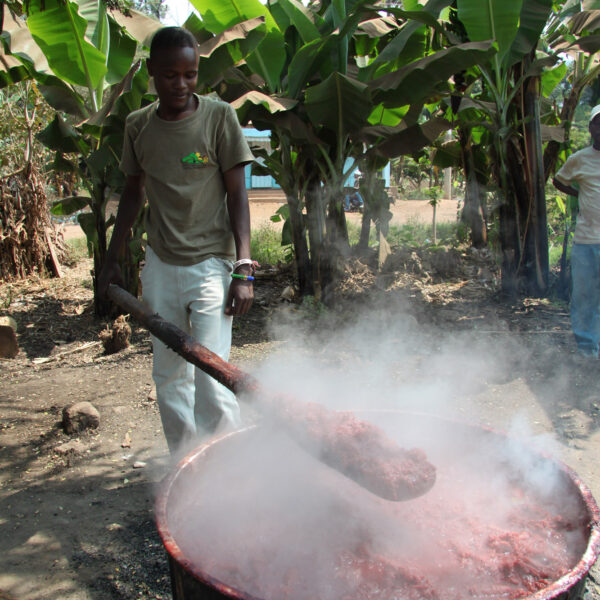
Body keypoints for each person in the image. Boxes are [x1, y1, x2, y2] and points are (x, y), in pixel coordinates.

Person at [98, 26, 255, 454]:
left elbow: (238, 195)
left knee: (212, 375)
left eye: (190, 74)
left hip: (211, 265)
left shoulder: (219, 117)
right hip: (162, 266)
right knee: (168, 376)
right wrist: (113, 258)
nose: (181, 84)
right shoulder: (138, 127)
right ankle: (187, 470)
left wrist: (244, 267)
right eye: (170, 75)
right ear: (151, 72)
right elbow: (133, 192)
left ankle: (229, 471)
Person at [553, 104, 600, 359]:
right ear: (591, 128)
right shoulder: (579, 159)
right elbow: (559, 180)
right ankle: (587, 348)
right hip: (586, 240)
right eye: (598, 123)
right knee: (585, 297)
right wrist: (579, 194)